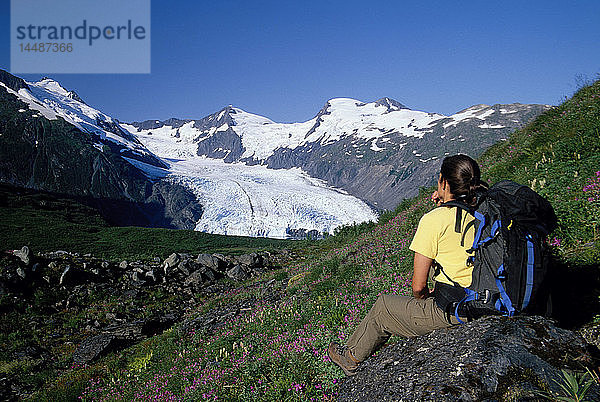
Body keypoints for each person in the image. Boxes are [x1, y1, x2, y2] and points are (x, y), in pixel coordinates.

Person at [328, 154, 488, 376]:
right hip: (488, 300)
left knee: (383, 308)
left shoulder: (434, 220)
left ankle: (350, 358)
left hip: (457, 310)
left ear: (443, 182)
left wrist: (427, 299)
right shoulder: (484, 213)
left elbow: (418, 287)